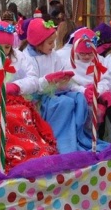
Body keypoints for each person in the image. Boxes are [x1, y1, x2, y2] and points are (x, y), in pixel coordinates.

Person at [22, 18, 105, 153]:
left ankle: (78, 136)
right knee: (65, 102)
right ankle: (62, 143)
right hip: (38, 97)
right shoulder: (27, 58)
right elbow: (31, 84)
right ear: (38, 43)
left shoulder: (53, 55)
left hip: (56, 92)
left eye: (53, 42)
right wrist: (48, 80)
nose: (53, 46)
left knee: (78, 98)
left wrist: (82, 90)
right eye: (50, 43)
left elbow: (65, 80)